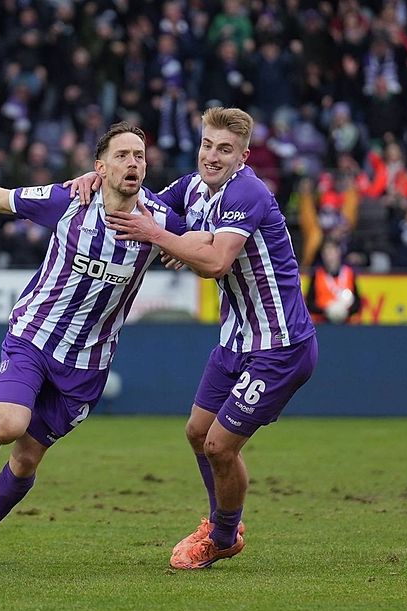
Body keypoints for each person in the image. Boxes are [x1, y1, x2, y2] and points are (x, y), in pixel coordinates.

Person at [0, 121, 189, 569]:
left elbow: (206, 242)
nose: (133, 163)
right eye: (123, 155)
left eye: (140, 156)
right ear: (100, 166)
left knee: (27, 460)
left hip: (87, 365)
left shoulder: (161, 222)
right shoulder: (70, 201)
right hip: (35, 336)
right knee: (12, 426)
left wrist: (176, 248)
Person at [97, 107, 318, 569]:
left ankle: (222, 535)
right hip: (236, 339)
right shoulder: (193, 188)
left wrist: (168, 238)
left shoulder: (248, 192)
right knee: (197, 432)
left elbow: (216, 261)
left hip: (279, 346)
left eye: (225, 150)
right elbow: (148, 204)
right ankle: (223, 523)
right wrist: (95, 178)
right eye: (207, 145)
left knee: (220, 445)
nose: (212, 157)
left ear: (243, 156)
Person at [306, 239, 362, 323]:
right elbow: (309, 303)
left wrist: (344, 312)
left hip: (346, 323)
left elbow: (357, 303)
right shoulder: (316, 275)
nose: (329, 256)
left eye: (332, 252)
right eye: (326, 253)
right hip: (322, 323)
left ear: (338, 252)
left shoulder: (349, 273)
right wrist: (327, 311)